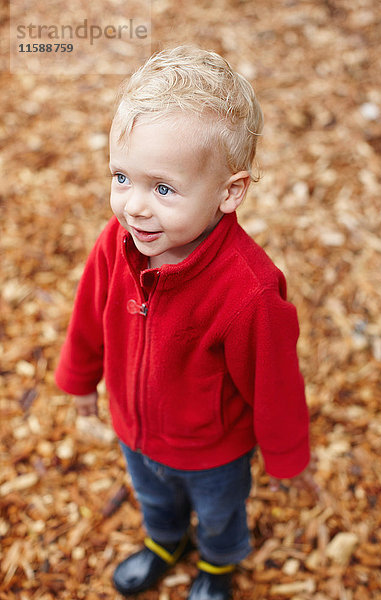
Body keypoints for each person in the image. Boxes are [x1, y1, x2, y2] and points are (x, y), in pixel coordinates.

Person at [55, 45, 312, 600]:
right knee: (153, 500)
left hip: (212, 450)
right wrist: (79, 380)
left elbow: (275, 379)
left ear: (229, 192)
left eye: (163, 188)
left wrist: (288, 455)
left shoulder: (249, 290)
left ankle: (217, 566)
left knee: (219, 514)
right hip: (135, 429)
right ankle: (165, 542)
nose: (135, 207)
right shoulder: (117, 244)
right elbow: (89, 315)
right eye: (121, 177)